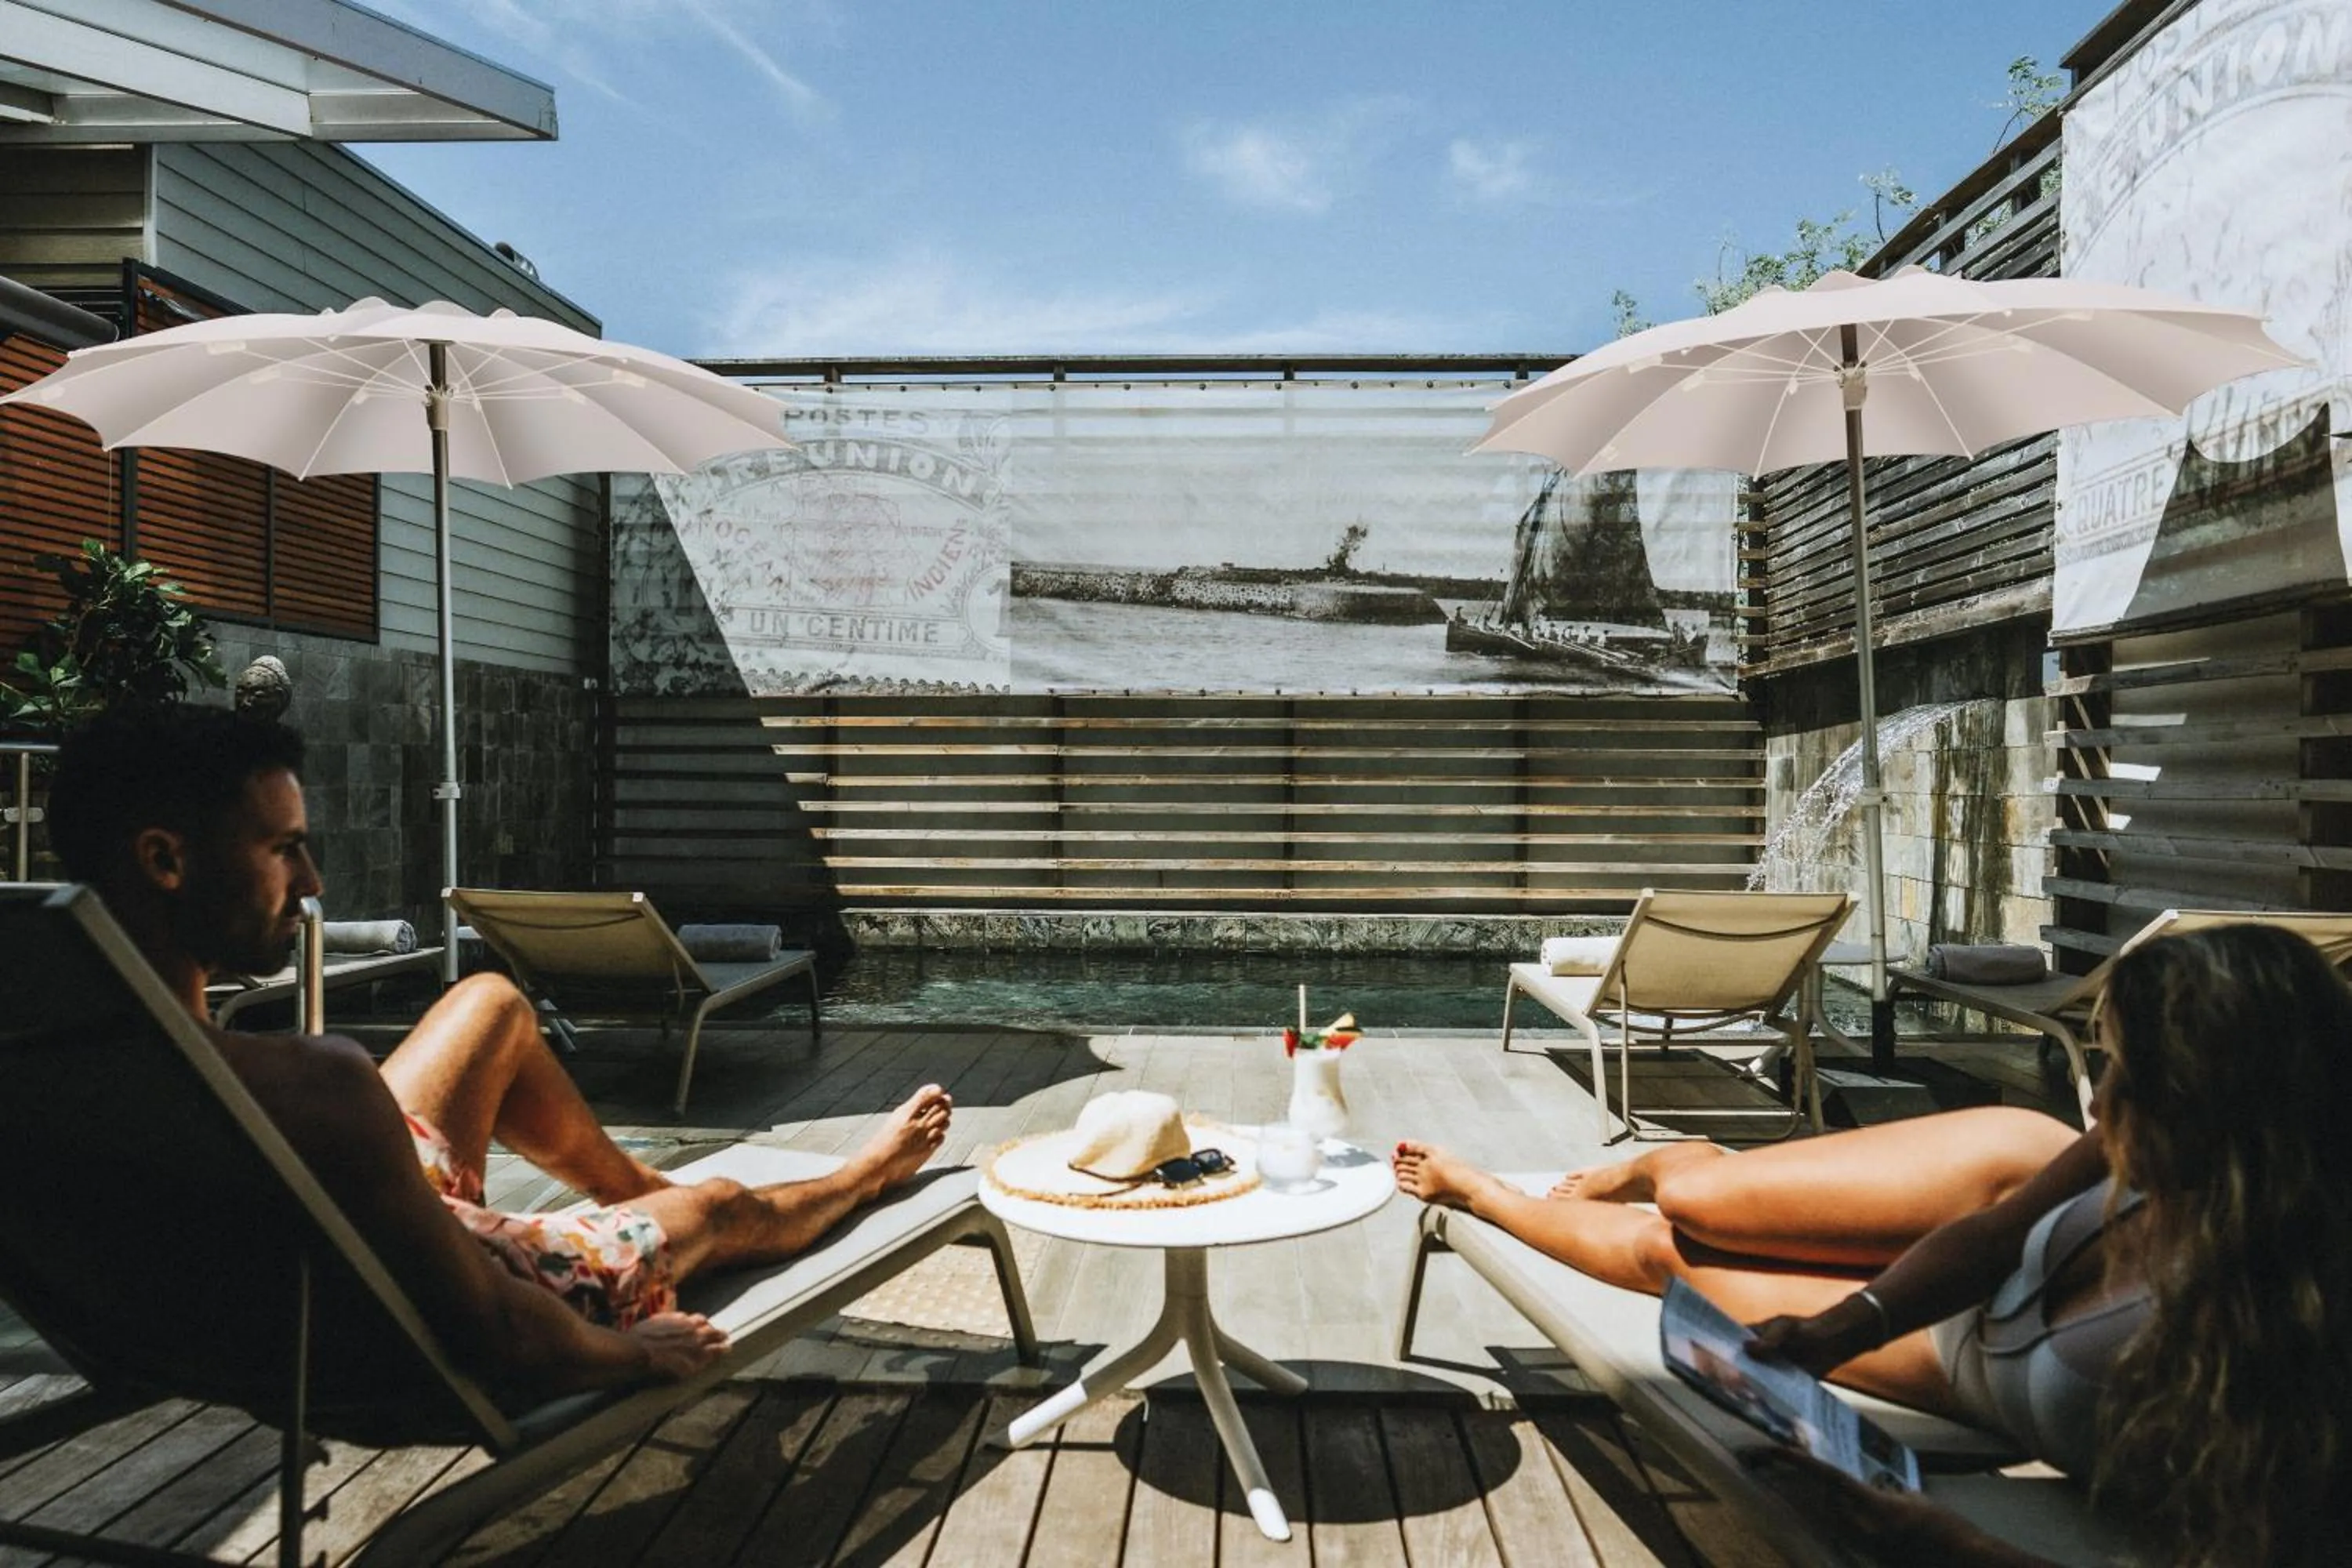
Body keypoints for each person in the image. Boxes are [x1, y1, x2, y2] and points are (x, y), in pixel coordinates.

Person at [46, 704, 953, 1403]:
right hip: (447, 1301)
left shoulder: (62, 1066)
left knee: (489, 1003)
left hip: (329, 1230)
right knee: (719, 1206)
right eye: (285, 848)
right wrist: (629, 1353)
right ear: (166, 859)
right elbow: (496, 1332)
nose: (314, 883)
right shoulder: (313, 1089)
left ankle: (635, 1191)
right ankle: (861, 1176)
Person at [1394, 924, 2352, 1567]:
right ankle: (1671, 1153)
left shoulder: (2279, 1344)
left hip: (1972, 1364)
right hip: (2002, 1186)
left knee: (1666, 1256)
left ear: (2211, 1097)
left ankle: (1476, 1186)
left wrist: (1955, 1545)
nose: (2099, 1093)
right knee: (1695, 1194)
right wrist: (1836, 1333)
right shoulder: (2135, 1136)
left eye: (2121, 1066)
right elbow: (1991, 1236)